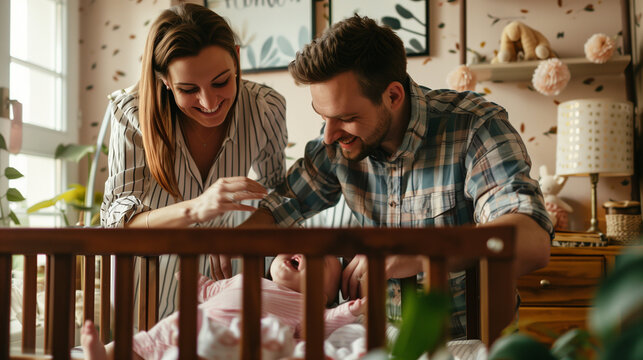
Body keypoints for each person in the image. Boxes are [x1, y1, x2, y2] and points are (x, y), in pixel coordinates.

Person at [240, 14, 553, 336]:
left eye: (345, 118)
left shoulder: (475, 126)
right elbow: (279, 208)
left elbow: (532, 242)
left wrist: (420, 249)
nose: (329, 135)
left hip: (464, 339)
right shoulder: (335, 141)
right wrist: (228, 243)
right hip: (373, 339)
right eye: (323, 117)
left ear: (392, 96)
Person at [100, 3, 288, 319]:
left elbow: (279, 199)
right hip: (146, 293)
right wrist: (195, 208)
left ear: (237, 59)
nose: (209, 102)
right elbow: (116, 223)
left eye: (221, 82)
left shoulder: (265, 107)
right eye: (188, 89)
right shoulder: (130, 113)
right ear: (165, 81)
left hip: (226, 292)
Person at [81, 254, 365, 360]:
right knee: (140, 344)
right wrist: (194, 279)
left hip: (223, 343)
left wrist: (349, 310)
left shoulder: (305, 306)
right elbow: (209, 290)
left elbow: (325, 322)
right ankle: (101, 357)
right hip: (183, 324)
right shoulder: (244, 278)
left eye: (321, 261)